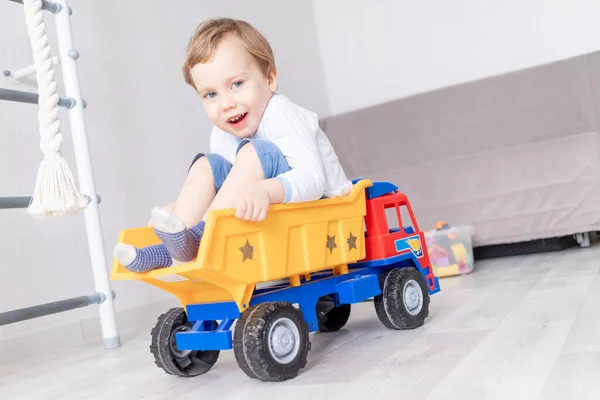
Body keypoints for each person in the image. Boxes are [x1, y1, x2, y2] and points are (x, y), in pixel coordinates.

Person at [113, 18, 352, 272]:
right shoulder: (221, 134)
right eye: (211, 95)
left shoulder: (281, 113)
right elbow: (227, 192)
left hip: (324, 214)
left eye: (237, 84)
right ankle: (178, 235)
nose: (226, 103)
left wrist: (266, 191)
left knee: (257, 152)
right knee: (209, 165)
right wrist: (183, 211)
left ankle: (194, 239)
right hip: (275, 221)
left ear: (270, 78)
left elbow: (312, 180)